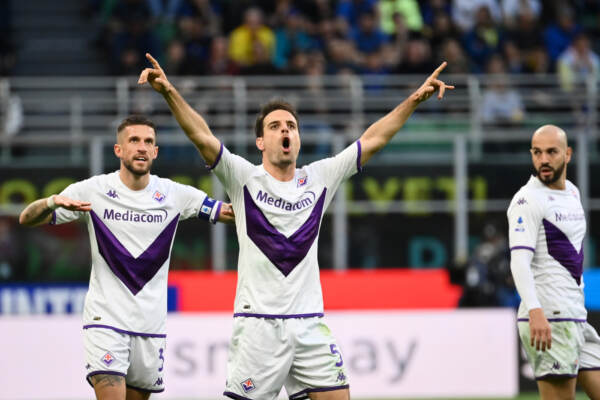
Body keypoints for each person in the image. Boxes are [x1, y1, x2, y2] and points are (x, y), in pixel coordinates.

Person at [138, 52, 453, 400]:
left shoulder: (320, 177)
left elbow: (373, 139)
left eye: (290, 126)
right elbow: (202, 136)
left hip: (309, 324)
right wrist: (169, 92)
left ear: (298, 139)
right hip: (259, 326)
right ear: (261, 142)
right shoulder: (243, 178)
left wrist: (413, 100)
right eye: (274, 126)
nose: (284, 130)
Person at [18, 115, 234, 400]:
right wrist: (50, 202)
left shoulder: (175, 194)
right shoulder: (93, 190)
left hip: (150, 327)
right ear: (118, 150)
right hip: (105, 320)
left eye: (148, 142)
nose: (142, 147)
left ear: (156, 151)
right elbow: (26, 218)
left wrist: (269, 202)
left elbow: (229, 212)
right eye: (134, 140)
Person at [507, 125, 600, 400]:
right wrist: (535, 311)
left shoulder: (572, 192)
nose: (544, 160)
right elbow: (519, 261)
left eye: (551, 152)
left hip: (576, 316)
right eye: (537, 153)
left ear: (568, 154)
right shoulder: (527, 200)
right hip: (550, 317)